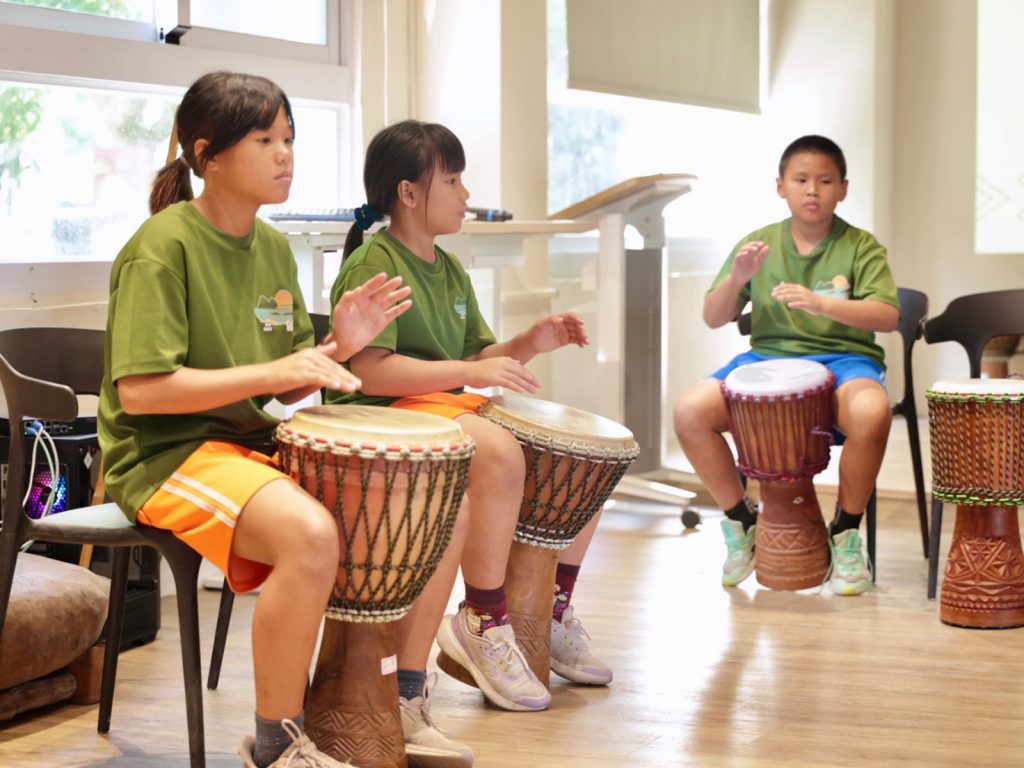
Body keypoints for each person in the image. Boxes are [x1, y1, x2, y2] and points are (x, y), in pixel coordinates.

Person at [97, 71, 411, 768]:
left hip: (245, 445)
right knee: (310, 535)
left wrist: (340, 348)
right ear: (206, 155)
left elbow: (286, 384)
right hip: (165, 457)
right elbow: (142, 393)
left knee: (381, 504)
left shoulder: (270, 247)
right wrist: (278, 373)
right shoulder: (161, 248)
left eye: (289, 138)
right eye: (264, 139)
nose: (285, 154)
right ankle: (277, 746)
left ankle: (387, 705)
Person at [327, 119, 609, 737]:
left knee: (582, 463)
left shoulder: (449, 269)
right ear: (408, 193)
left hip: (436, 407)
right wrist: (465, 373)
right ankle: (482, 618)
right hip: (387, 416)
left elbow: (478, 357)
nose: (465, 193)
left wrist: (531, 340)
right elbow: (369, 372)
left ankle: (554, 610)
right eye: (452, 181)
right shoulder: (376, 262)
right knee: (502, 452)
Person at [672, 134, 898, 596]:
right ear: (781, 186)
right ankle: (741, 522)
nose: (812, 189)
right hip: (767, 361)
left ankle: (846, 533)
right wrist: (737, 279)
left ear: (843, 189)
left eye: (825, 181)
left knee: (872, 412)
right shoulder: (759, 244)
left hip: (845, 362)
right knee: (690, 410)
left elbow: (888, 316)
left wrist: (821, 303)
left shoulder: (861, 246)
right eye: (800, 180)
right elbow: (713, 316)